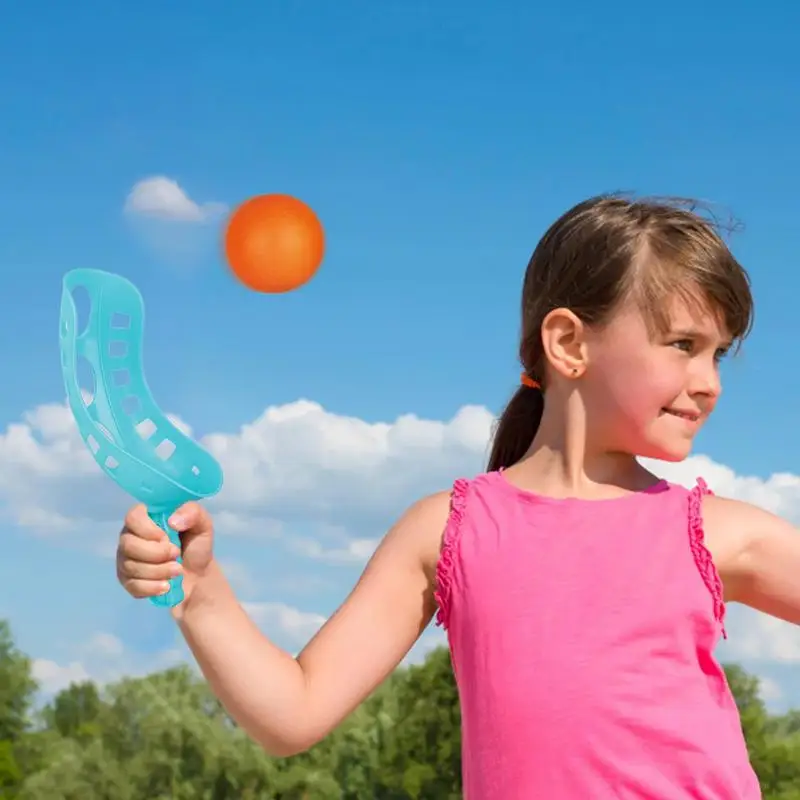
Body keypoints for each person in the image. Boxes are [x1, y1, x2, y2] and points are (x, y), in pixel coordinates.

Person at [115, 195, 798, 798]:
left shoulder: (719, 534)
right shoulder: (447, 531)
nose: (710, 382)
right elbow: (293, 714)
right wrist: (199, 591)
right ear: (568, 343)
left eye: (717, 354)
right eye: (683, 344)